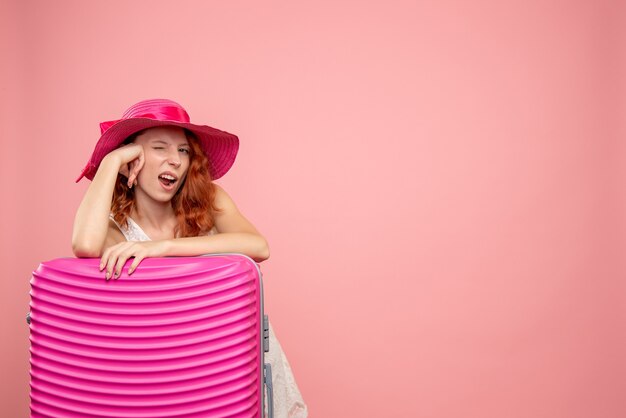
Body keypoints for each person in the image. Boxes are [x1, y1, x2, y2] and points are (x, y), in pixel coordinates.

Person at [72, 98, 307, 418]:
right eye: (159, 148)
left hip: (232, 355)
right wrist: (112, 161)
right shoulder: (116, 229)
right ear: (133, 157)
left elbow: (258, 246)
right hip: (174, 369)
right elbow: (85, 245)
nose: (175, 161)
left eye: (183, 150)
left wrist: (162, 249)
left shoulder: (210, 199)